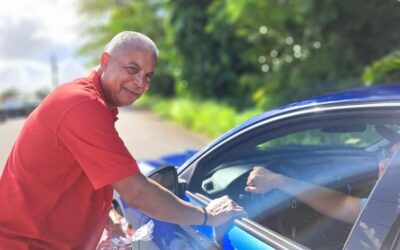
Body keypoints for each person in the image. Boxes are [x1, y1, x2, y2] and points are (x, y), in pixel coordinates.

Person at [0, 31, 245, 249]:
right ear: (105, 61)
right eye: (132, 69)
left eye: (148, 76)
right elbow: (137, 192)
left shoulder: (89, 102)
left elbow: (80, 173)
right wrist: (206, 215)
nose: (140, 83)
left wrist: (108, 218)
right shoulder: (81, 105)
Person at [245, 142, 400, 224]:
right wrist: (279, 181)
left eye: (395, 160)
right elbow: (340, 204)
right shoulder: (390, 208)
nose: (381, 163)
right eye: (386, 154)